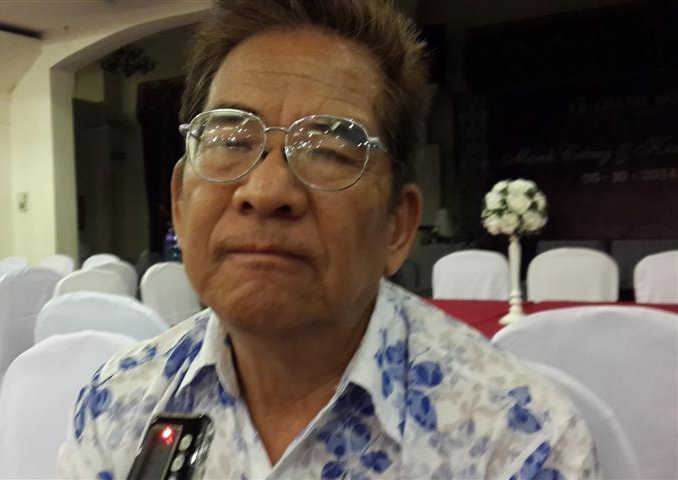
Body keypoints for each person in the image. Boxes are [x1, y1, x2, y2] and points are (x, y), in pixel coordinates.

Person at [59, 1, 596, 478]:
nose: (266, 191)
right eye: (231, 139)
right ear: (180, 200)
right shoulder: (120, 403)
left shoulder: (516, 440)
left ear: (397, 225)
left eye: (329, 150)